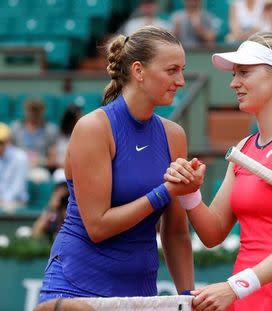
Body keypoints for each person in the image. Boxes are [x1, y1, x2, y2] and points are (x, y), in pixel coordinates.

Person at [165, 32, 272, 310]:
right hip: (243, 299)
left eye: (244, 73)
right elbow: (213, 233)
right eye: (234, 74)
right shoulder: (243, 148)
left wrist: (235, 287)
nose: (233, 83)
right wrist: (189, 192)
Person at [36, 25, 198, 305]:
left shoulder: (175, 135)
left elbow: (176, 232)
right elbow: (98, 226)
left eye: (182, 70)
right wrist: (165, 191)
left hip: (140, 292)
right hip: (77, 290)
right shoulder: (93, 128)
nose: (181, 80)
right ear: (138, 71)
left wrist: (187, 297)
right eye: (172, 70)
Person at [32, 169, 69, 241]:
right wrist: (51, 208)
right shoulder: (51, 210)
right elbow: (36, 232)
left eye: (64, 196)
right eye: (57, 193)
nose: (61, 199)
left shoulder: (71, 211)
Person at [0, 122, 29, 212]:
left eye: (1, 142)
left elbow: (17, 187)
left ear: (8, 141)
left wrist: (4, 200)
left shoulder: (20, 157)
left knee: (9, 208)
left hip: (17, 202)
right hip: (3, 202)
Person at [47, 104, 82, 170]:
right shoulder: (57, 135)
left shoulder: (84, 136)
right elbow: (51, 160)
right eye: (76, 119)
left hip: (77, 170)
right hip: (59, 170)